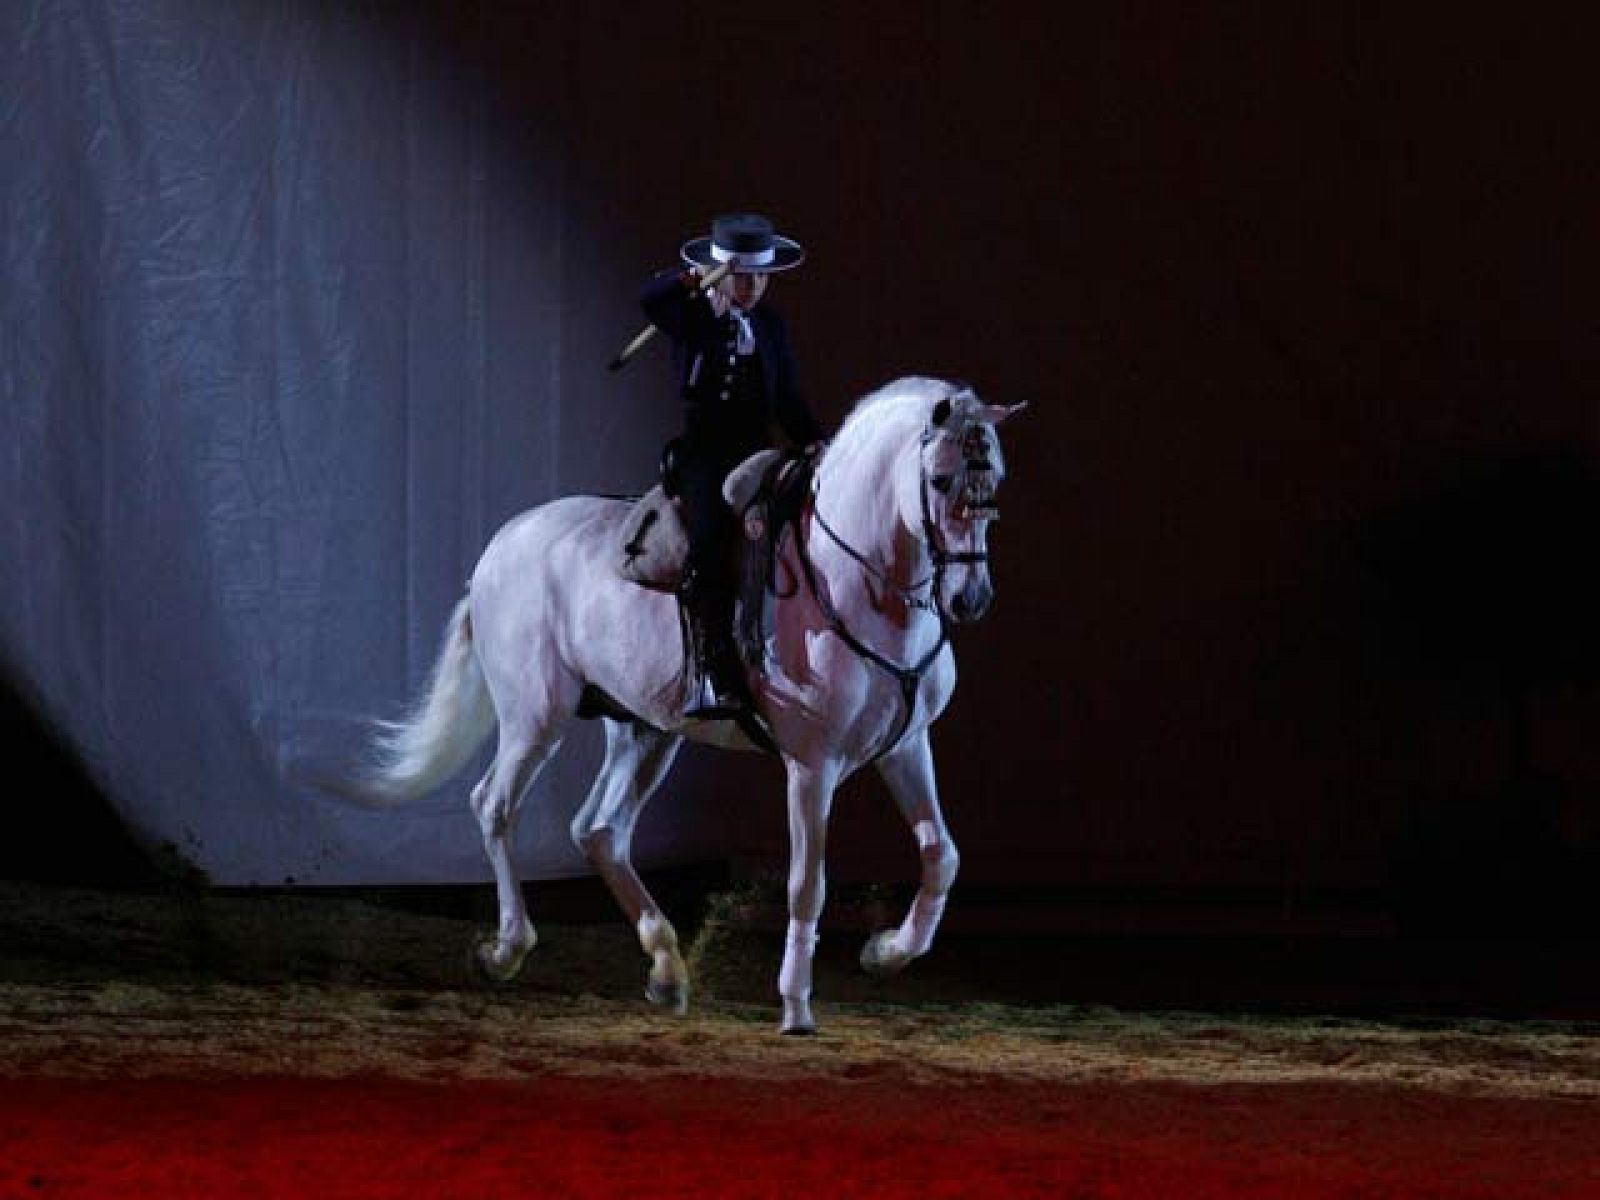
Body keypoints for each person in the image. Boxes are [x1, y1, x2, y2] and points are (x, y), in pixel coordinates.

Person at [639, 212, 824, 718]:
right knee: (712, 540)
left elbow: (786, 398)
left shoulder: (769, 325)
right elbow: (651, 299)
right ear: (723, 273)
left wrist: (816, 443)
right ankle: (711, 673)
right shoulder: (693, 314)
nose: (754, 287)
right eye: (744, 277)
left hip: (757, 452)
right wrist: (693, 281)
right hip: (704, 453)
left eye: (761, 277)